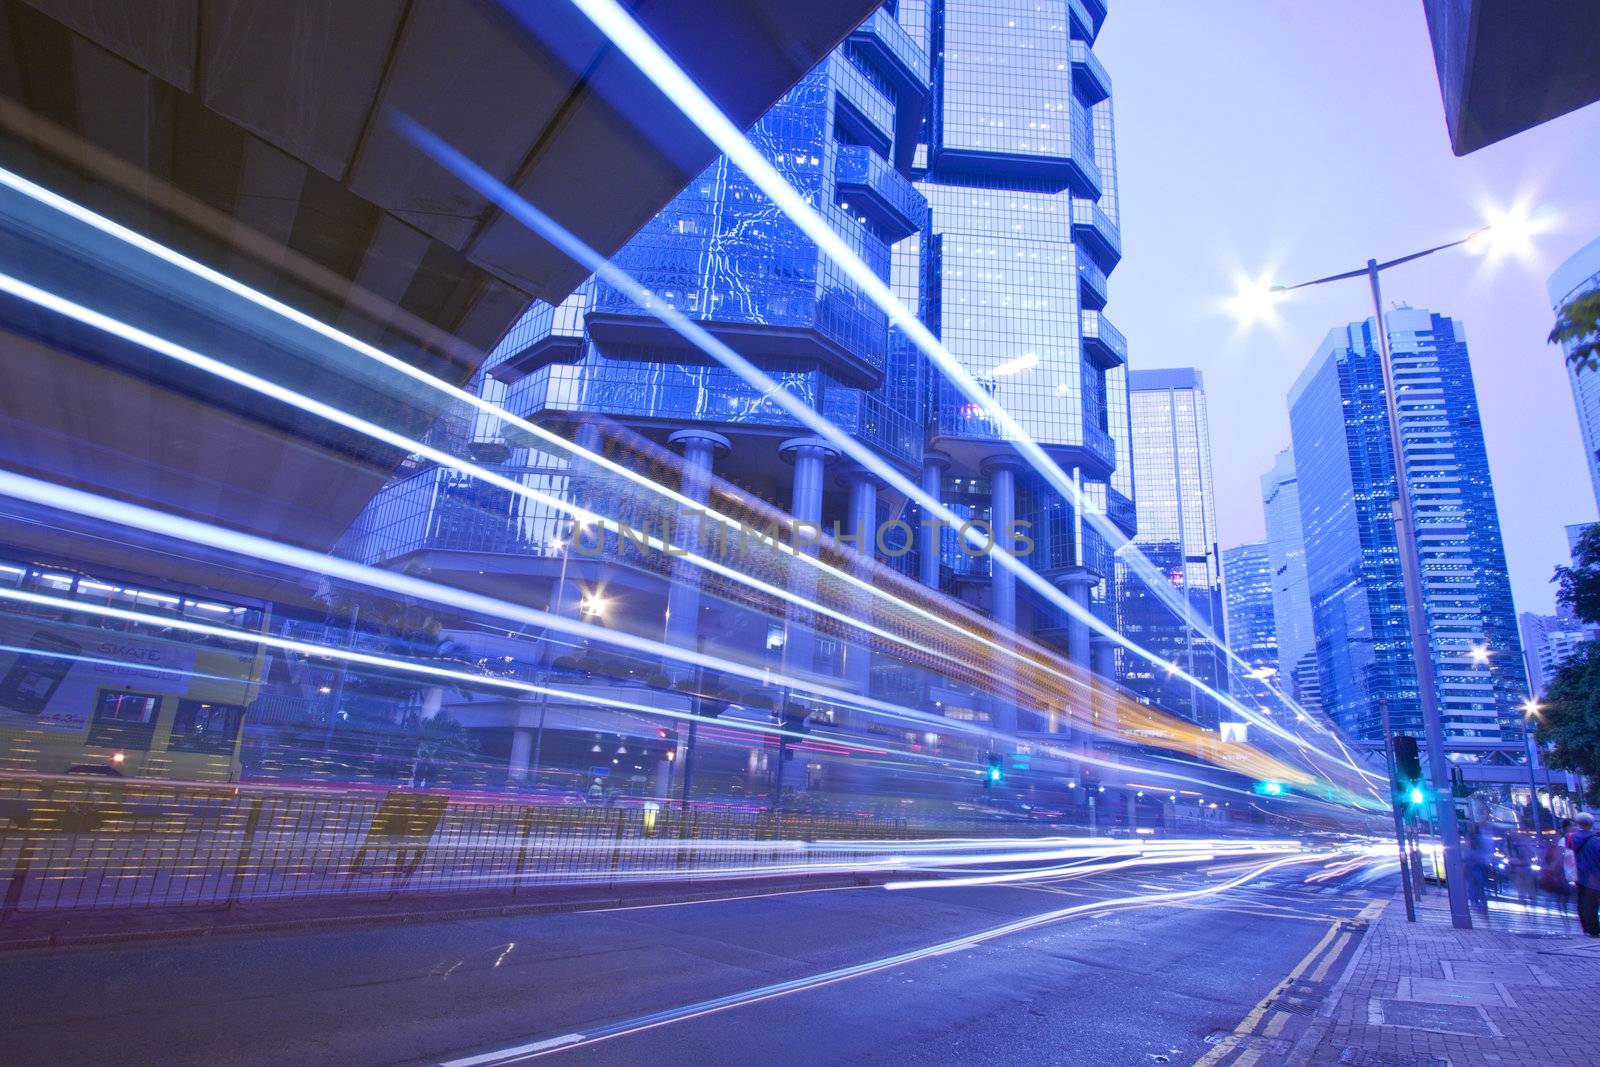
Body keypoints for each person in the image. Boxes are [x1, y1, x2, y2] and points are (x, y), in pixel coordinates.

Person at [1565, 812, 1600, 937]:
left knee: (1581, 901)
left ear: (1577, 823)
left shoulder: (1569, 838)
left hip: (1576, 875)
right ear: (1591, 824)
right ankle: (1594, 930)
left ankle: (1586, 928)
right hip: (1594, 875)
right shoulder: (1596, 840)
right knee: (1592, 903)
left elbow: (1568, 856)